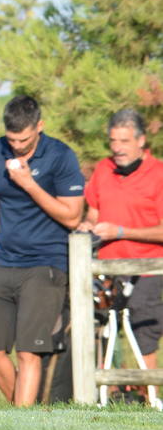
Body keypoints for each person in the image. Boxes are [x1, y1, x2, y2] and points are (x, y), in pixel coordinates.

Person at [0, 94, 85, 406]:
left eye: (23, 140)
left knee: (28, 351)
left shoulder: (60, 156)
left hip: (46, 263)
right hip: (3, 261)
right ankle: (27, 413)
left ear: (40, 126)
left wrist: (29, 184)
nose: (16, 146)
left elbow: (73, 216)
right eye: (11, 139)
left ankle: (23, 423)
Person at [82, 108, 163, 371]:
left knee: (143, 332)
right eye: (113, 141)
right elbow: (93, 214)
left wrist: (121, 232)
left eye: (124, 141)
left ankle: (148, 397)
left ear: (141, 141)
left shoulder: (158, 173)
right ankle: (112, 397)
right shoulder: (104, 170)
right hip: (106, 269)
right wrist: (87, 225)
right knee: (103, 332)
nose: (117, 148)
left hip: (147, 269)